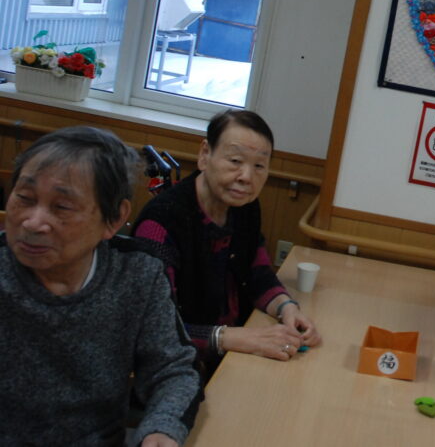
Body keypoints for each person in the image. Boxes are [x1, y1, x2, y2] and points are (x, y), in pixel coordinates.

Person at [0, 126, 201, 446]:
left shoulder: (137, 274)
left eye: (61, 207)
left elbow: (173, 370)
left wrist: (162, 428)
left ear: (114, 219)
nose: (33, 223)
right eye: (24, 198)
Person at [133, 109, 320, 376]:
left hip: (233, 353)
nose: (247, 177)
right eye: (235, 161)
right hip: (178, 368)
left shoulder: (245, 207)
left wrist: (286, 307)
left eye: (259, 166)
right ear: (205, 154)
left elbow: (257, 273)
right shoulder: (161, 223)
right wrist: (234, 338)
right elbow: (153, 328)